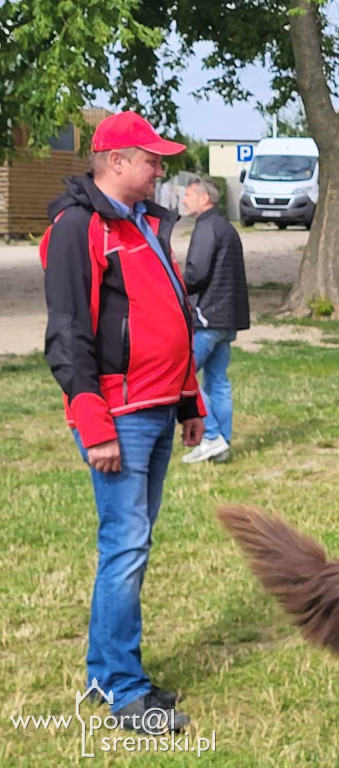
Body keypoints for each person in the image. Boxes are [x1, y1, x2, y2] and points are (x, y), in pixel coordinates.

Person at [40, 111, 201, 730]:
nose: (160, 168)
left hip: (158, 409)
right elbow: (68, 332)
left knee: (133, 546)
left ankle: (112, 673)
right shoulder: (80, 226)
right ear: (115, 162)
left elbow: (173, 317)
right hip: (120, 417)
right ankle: (121, 689)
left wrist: (189, 401)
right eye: (152, 159)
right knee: (125, 547)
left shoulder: (142, 224)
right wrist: (92, 420)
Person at [180, 176, 251, 464]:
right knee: (218, 381)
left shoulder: (207, 227)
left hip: (207, 318)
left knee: (182, 376)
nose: (183, 200)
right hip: (227, 318)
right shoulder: (226, 227)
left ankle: (211, 436)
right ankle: (222, 441)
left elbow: (196, 273)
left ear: (204, 199)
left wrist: (174, 287)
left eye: (188, 195)